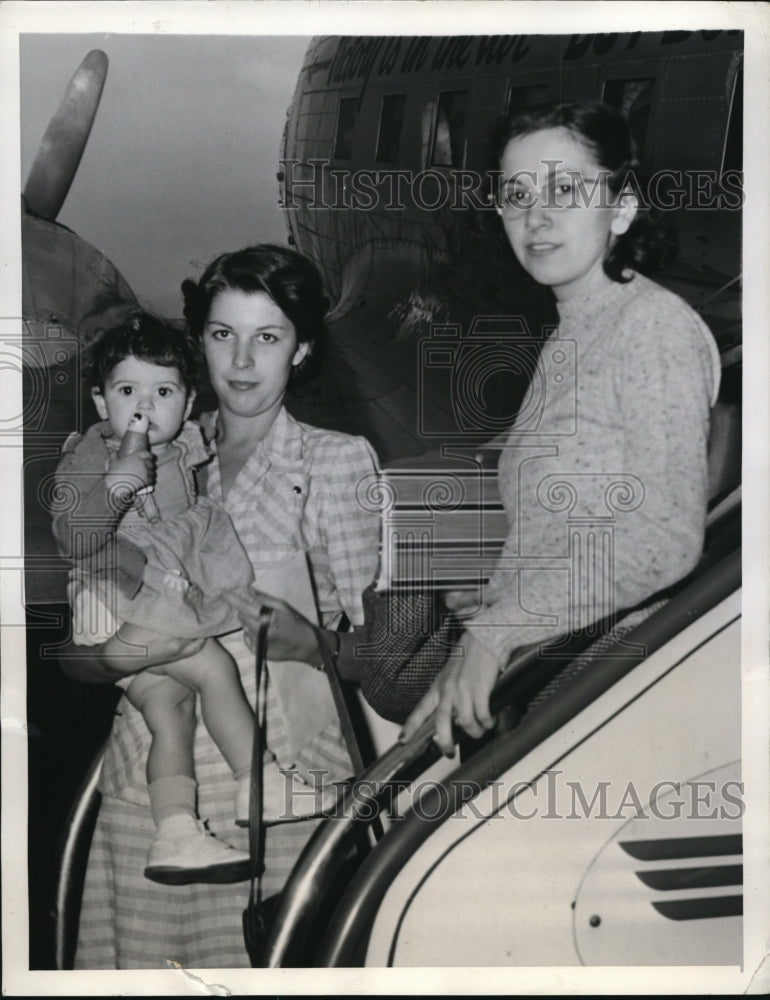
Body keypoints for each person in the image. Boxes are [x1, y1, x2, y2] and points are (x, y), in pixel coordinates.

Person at [61, 245, 380, 968]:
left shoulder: (336, 462)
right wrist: (105, 657)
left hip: (278, 804)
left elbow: (383, 659)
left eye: (267, 337)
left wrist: (308, 642)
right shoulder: (145, 446)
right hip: (150, 799)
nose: (241, 360)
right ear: (197, 340)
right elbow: (82, 635)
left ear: (300, 350)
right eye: (221, 334)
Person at [399, 101, 721, 753]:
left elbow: (664, 539)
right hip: (551, 674)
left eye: (565, 190)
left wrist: (498, 630)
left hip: (609, 696)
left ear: (622, 207)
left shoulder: (652, 326)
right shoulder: (571, 336)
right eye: (515, 194)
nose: (536, 216)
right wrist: (494, 604)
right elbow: (573, 531)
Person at [53, 315, 257, 885]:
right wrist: (116, 484)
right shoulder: (90, 455)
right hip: (114, 596)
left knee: (172, 712)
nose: (144, 408)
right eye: (126, 392)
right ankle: (258, 783)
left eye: (163, 392)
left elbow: (196, 460)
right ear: (101, 403)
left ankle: (175, 833)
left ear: (188, 401)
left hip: (142, 605)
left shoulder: (182, 447)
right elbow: (72, 536)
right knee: (214, 668)